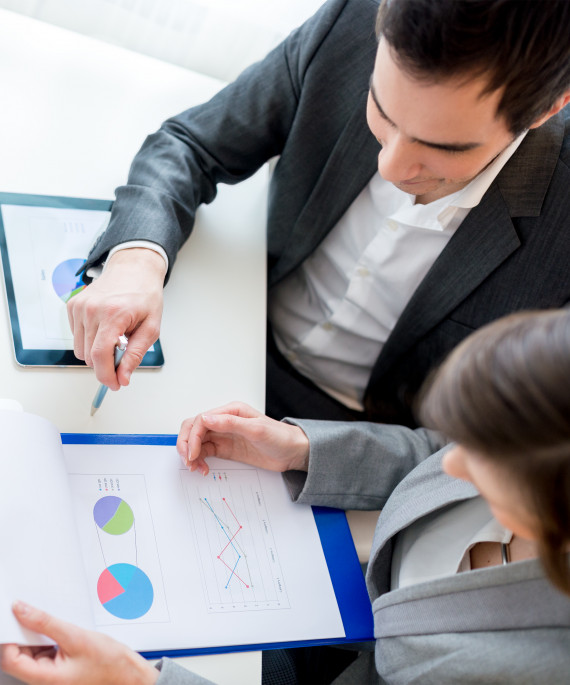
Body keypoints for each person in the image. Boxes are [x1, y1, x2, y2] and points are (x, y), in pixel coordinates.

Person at [67, 0, 570, 426]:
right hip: (228, 329)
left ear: (546, 110)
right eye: (381, 109)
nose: (389, 165)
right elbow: (192, 145)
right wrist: (137, 259)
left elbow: (482, 447)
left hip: (363, 438)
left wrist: (312, 451)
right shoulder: (351, 23)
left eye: (442, 147)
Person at [3, 308, 570, 683]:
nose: (450, 463)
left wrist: (140, 682)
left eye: (484, 457)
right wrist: (303, 448)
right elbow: (430, 449)